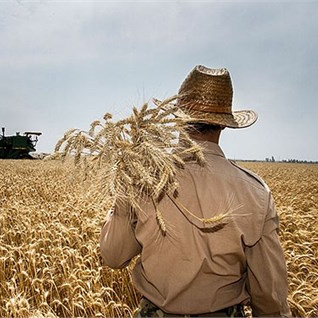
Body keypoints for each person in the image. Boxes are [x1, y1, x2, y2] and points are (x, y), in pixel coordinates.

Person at [99, 65, 291, 317]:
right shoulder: (255, 191)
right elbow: (270, 296)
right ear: (223, 126)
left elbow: (113, 257)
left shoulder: (141, 180)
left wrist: (123, 193)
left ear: (177, 118)